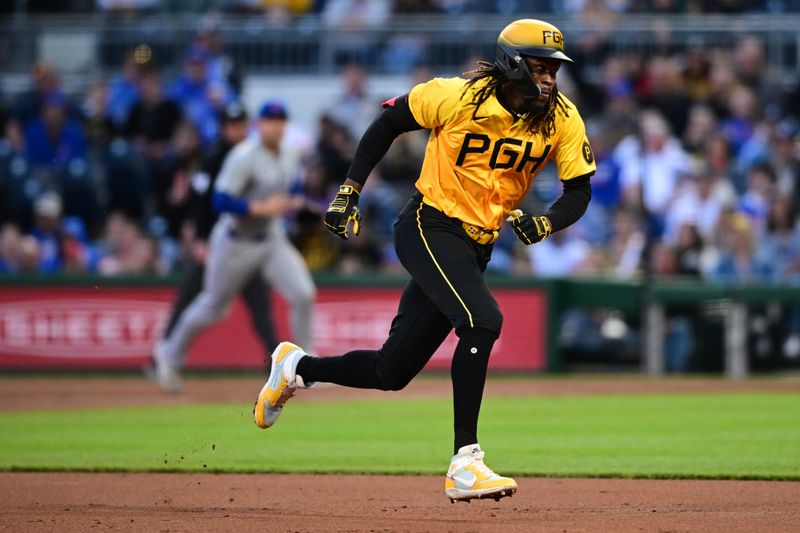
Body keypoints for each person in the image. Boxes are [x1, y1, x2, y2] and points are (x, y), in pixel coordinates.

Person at [253, 19, 595, 503]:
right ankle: (465, 462)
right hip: (427, 223)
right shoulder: (457, 97)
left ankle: (297, 368)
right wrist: (349, 190)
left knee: (391, 372)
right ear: (513, 64)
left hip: (476, 242)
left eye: (554, 70)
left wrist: (547, 223)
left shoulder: (561, 116)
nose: (550, 80)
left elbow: (579, 190)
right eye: (541, 68)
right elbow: (388, 120)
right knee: (483, 320)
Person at [153, 100, 316, 393]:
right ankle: (168, 355)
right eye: (270, 119)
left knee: (304, 293)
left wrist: (295, 202)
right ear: (260, 124)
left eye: (280, 120)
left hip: (270, 239)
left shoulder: (290, 154)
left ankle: (309, 366)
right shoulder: (243, 156)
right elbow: (220, 200)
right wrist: (261, 207)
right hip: (234, 241)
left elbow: (290, 189)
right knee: (213, 307)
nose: (275, 125)